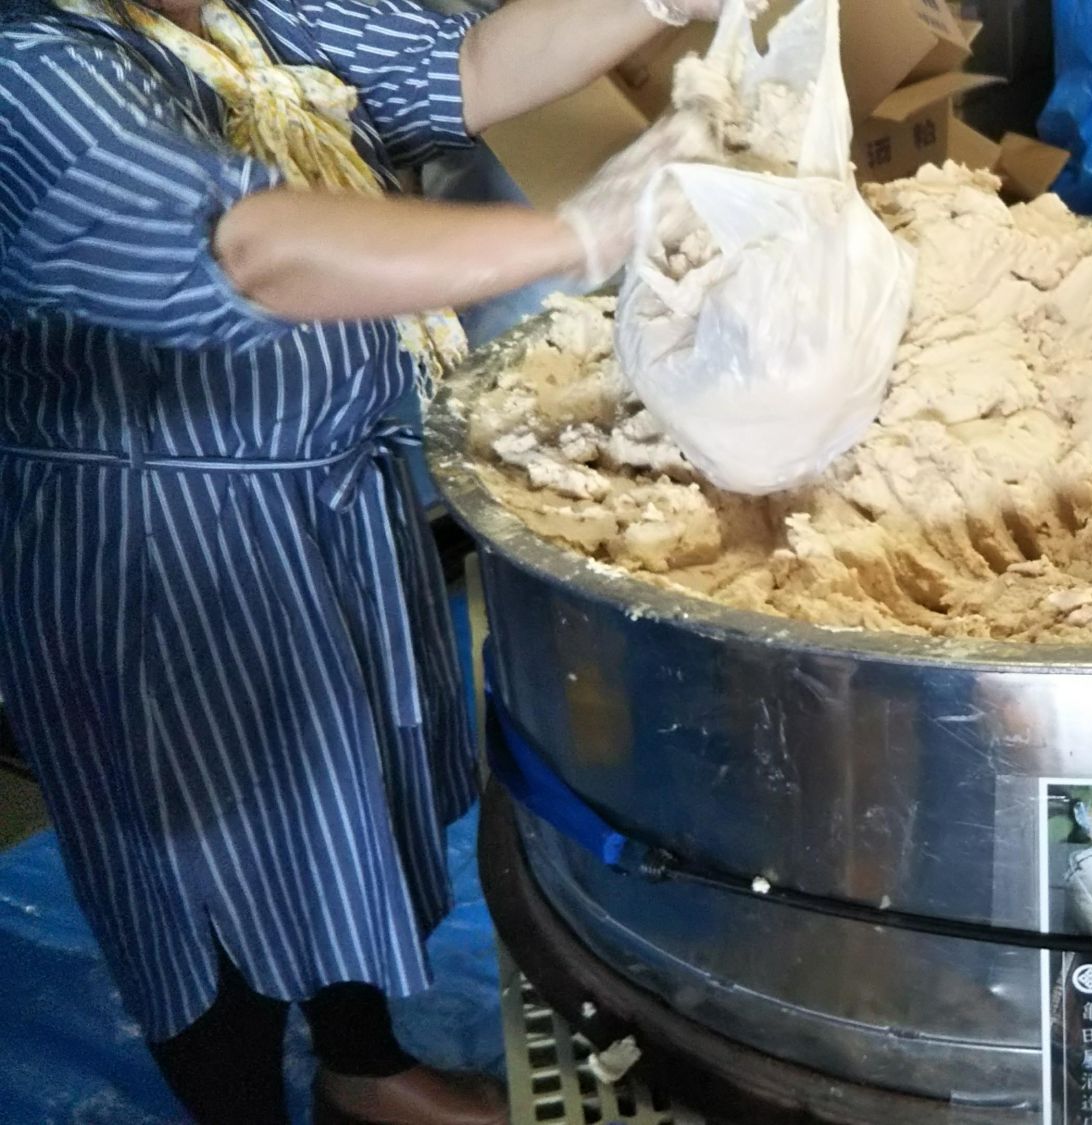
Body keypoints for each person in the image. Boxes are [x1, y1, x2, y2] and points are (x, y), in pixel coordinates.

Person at [0, 0, 704, 1117]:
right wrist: (579, 234)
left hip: (329, 502)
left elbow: (467, 63)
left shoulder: (238, 18)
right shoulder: (29, 66)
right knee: (206, 867)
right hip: (162, 549)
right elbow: (247, 248)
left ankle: (363, 1069)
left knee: (344, 811)